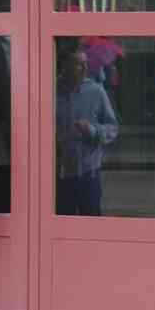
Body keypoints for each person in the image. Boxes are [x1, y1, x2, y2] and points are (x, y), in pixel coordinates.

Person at [56, 48, 118, 215]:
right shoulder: (50, 91)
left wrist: (92, 129)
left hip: (88, 174)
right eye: (78, 64)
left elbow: (112, 128)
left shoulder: (96, 92)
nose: (84, 68)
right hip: (59, 176)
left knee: (90, 226)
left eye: (85, 63)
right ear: (64, 66)